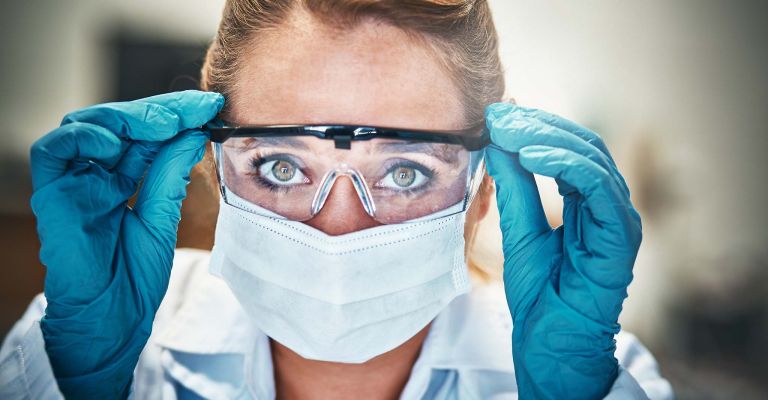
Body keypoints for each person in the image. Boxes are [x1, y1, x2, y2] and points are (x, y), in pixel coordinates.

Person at [0, 1, 673, 399]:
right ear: (208, 162)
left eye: (406, 172)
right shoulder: (84, 358)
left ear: (483, 188)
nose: (338, 229)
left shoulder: (605, 376)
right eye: (283, 165)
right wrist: (83, 383)